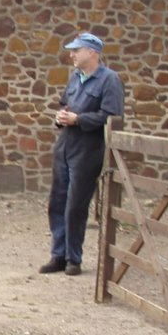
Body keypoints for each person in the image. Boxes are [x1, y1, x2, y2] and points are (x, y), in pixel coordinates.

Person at [40, 32, 125, 277]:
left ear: (92, 53)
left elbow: (113, 117)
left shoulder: (110, 80)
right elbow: (64, 105)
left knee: (76, 205)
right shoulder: (75, 78)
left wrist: (80, 119)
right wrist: (61, 118)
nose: (72, 55)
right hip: (65, 145)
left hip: (88, 150)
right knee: (57, 202)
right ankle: (58, 255)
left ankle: (73, 259)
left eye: (77, 50)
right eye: (72, 50)